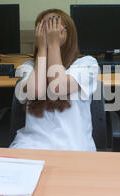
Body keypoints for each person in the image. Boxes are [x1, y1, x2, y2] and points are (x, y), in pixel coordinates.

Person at [10, 9, 99, 151]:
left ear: (69, 34)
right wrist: (43, 50)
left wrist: (53, 45)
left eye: (55, 27)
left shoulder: (87, 64)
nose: (51, 33)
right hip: (31, 146)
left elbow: (58, 86)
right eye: (45, 28)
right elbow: (36, 92)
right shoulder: (28, 67)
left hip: (74, 148)